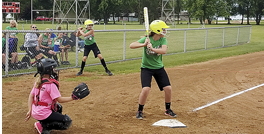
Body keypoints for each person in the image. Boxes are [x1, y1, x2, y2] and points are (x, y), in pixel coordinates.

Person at [129, 20, 177, 119]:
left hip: (159, 68)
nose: (165, 31)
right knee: (146, 89)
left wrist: (153, 49)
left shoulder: (162, 40)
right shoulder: (147, 39)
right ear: (157, 30)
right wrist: (144, 44)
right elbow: (131, 45)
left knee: (168, 88)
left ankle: (167, 110)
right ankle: (140, 111)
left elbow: (164, 51)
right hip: (146, 68)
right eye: (163, 29)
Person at [24, 58, 73, 134]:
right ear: (48, 70)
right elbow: (59, 99)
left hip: (35, 112)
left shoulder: (39, 81)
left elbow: (31, 96)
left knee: (58, 107)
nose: (55, 70)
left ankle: (42, 123)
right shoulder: (50, 85)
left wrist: (29, 110)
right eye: (53, 69)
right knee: (67, 121)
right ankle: (44, 127)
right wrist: (72, 97)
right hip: (43, 113)